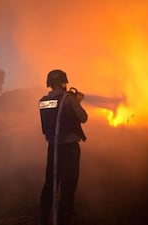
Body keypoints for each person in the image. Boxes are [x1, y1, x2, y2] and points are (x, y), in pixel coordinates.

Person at [38, 69, 88, 225]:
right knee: (69, 182)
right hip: (69, 149)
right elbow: (83, 118)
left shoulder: (43, 100)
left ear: (49, 84)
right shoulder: (68, 99)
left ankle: (43, 215)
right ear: (63, 82)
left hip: (52, 148)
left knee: (51, 181)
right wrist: (77, 101)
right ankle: (65, 215)